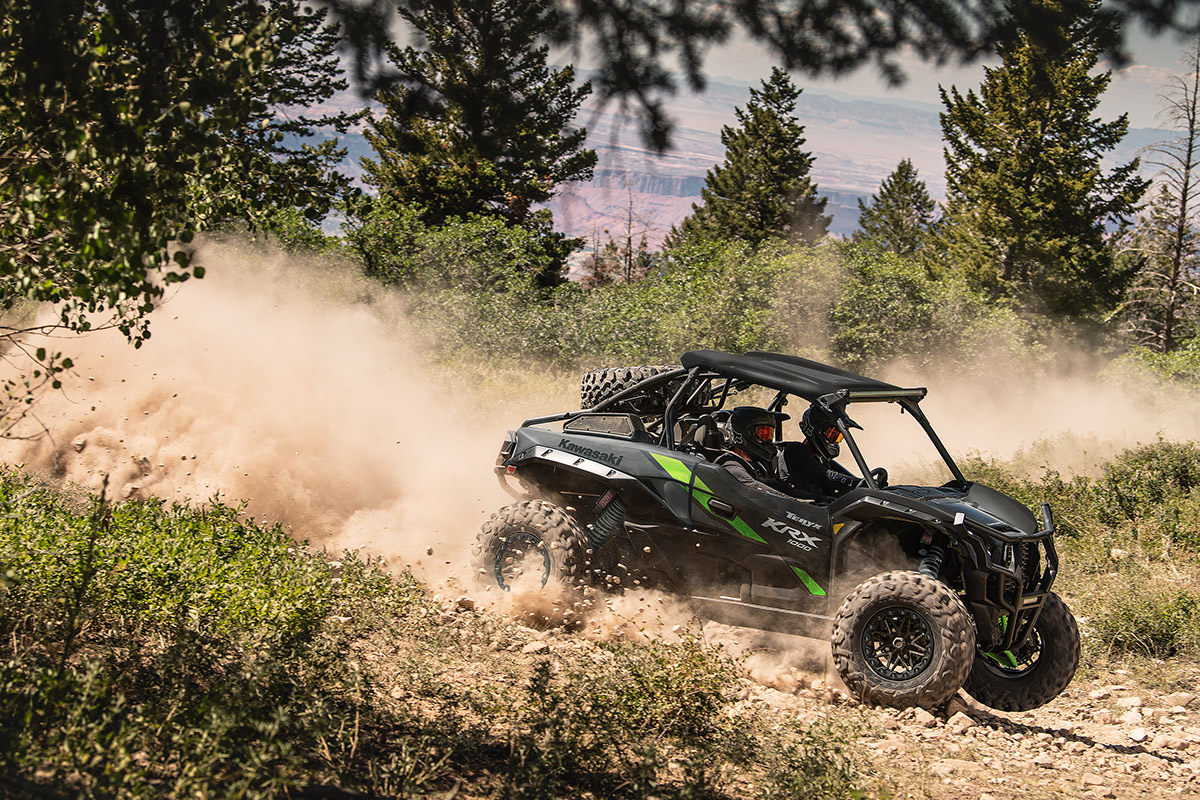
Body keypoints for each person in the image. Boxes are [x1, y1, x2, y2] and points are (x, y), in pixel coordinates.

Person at [778, 405, 883, 499]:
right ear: (818, 429)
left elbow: (848, 479)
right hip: (797, 510)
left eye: (838, 438)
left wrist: (870, 485)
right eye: (833, 435)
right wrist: (860, 484)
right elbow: (828, 476)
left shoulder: (822, 460)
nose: (835, 441)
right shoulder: (796, 450)